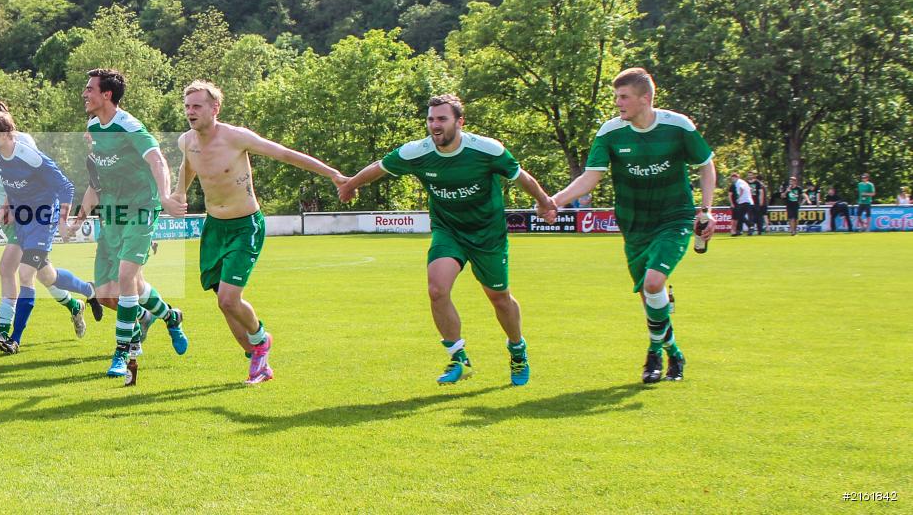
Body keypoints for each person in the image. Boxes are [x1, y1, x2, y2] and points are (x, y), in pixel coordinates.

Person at [340, 94, 556, 386]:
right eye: (430, 119)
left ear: (459, 122)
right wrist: (351, 184)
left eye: (442, 119)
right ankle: (457, 357)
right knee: (437, 290)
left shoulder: (486, 149)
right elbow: (380, 167)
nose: (434, 125)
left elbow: (521, 177)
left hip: (487, 234)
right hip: (448, 230)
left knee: (499, 298)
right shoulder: (417, 152)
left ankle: (517, 351)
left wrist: (544, 202)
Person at [172, 80, 351, 385]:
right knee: (223, 303)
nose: (190, 112)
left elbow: (285, 154)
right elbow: (188, 166)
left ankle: (261, 341)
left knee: (229, 299)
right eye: (187, 106)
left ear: (215, 108)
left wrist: (332, 174)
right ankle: (257, 356)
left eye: (197, 106)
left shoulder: (237, 137)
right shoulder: (185, 141)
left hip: (246, 226)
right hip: (214, 228)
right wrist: (179, 194)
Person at [549, 68, 716, 384]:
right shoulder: (610, 132)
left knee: (653, 283)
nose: (617, 103)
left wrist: (706, 210)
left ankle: (653, 354)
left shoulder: (678, 126)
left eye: (623, 97)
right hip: (634, 225)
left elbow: (706, 166)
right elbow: (591, 176)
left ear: (645, 98)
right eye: (616, 97)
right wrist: (555, 200)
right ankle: (675, 353)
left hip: (675, 219)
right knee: (649, 295)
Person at [82, 68, 188, 383]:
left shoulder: (130, 126)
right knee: (108, 294)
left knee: (126, 277)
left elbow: (157, 160)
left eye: (90, 89)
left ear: (106, 95)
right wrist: (80, 214)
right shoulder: (93, 127)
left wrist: (166, 196)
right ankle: (169, 316)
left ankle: (123, 351)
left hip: (141, 208)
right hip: (113, 213)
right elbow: (98, 178)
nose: (85, 94)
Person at [0, 98, 100, 335]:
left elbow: (50, 181)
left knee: (13, 269)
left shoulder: (24, 143)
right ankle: (80, 299)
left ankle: (5, 332)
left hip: (35, 215)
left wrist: (60, 220)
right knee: (44, 274)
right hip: (12, 213)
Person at [0, 111, 77, 354]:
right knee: (47, 275)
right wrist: (7, 206)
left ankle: (14, 339)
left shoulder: (30, 157)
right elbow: (14, 187)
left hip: (43, 220)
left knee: (24, 273)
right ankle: (85, 296)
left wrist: (64, 222)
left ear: (3, 135)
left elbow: (66, 187)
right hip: (22, 220)